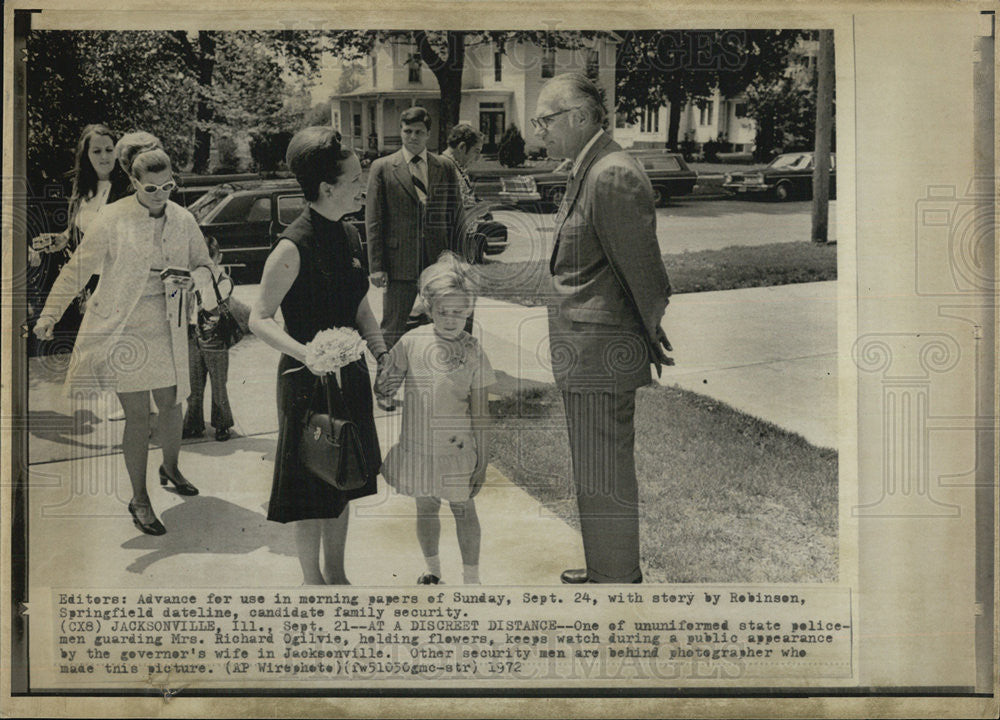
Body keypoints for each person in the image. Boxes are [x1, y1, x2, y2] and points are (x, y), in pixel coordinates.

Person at [34, 131, 217, 536]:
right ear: (133, 183)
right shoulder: (114, 217)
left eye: (168, 187)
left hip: (168, 325)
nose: (160, 195)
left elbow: (206, 266)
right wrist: (49, 314)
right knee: (138, 417)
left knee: (172, 406)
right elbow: (78, 268)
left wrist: (193, 280)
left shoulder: (183, 219)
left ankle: (169, 468)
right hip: (124, 329)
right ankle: (140, 498)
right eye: (151, 188)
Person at [531, 73, 673, 584]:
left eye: (545, 120)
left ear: (581, 117)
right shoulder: (588, 167)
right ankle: (605, 567)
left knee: (604, 469)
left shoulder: (610, 173)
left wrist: (649, 329)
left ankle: (617, 579)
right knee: (594, 469)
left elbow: (644, 269)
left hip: (600, 355)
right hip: (586, 352)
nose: (539, 132)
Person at [249, 127, 388, 586]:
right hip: (305, 381)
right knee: (310, 485)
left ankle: (338, 574)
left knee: (343, 473)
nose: (362, 187)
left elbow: (360, 305)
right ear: (327, 189)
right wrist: (307, 354)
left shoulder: (350, 234)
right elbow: (260, 318)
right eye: (354, 181)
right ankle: (312, 582)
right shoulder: (293, 245)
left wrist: (381, 352)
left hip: (349, 376)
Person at [375, 252, 495, 585]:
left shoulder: (473, 351)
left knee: (463, 509)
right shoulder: (411, 341)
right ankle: (433, 569)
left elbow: (482, 413)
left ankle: (472, 578)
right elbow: (387, 384)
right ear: (428, 307)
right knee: (425, 508)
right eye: (444, 311)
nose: (452, 319)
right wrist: (382, 386)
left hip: (456, 453)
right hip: (418, 447)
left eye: (459, 312)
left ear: (469, 309)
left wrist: (483, 460)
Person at [365, 106, 466, 349]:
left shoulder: (444, 166)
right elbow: (374, 219)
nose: (412, 137)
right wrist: (377, 266)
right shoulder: (383, 167)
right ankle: (387, 376)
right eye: (407, 131)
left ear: (428, 134)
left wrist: (457, 258)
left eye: (419, 132)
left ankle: (446, 370)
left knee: (446, 318)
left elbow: (456, 215)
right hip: (399, 260)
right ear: (400, 131)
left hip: (437, 259)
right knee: (393, 324)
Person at [28, 124, 131, 355]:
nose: (104, 156)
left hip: (119, 284)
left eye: (109, 149)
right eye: (96, 151)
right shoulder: (81, 188)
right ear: (86, 155)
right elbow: (79, 229)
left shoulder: (128, 189)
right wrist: (63, 238)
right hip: (86, 283)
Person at [183, 235, 248, 442]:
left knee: (218, 385)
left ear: (218, 258)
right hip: (193, 335)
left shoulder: (223, 280)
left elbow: (209, 304)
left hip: (215, 336)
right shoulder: (192, 278)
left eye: (209, 258)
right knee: (194, 385)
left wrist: (201, 280)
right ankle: (193, 424)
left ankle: (222, 425)